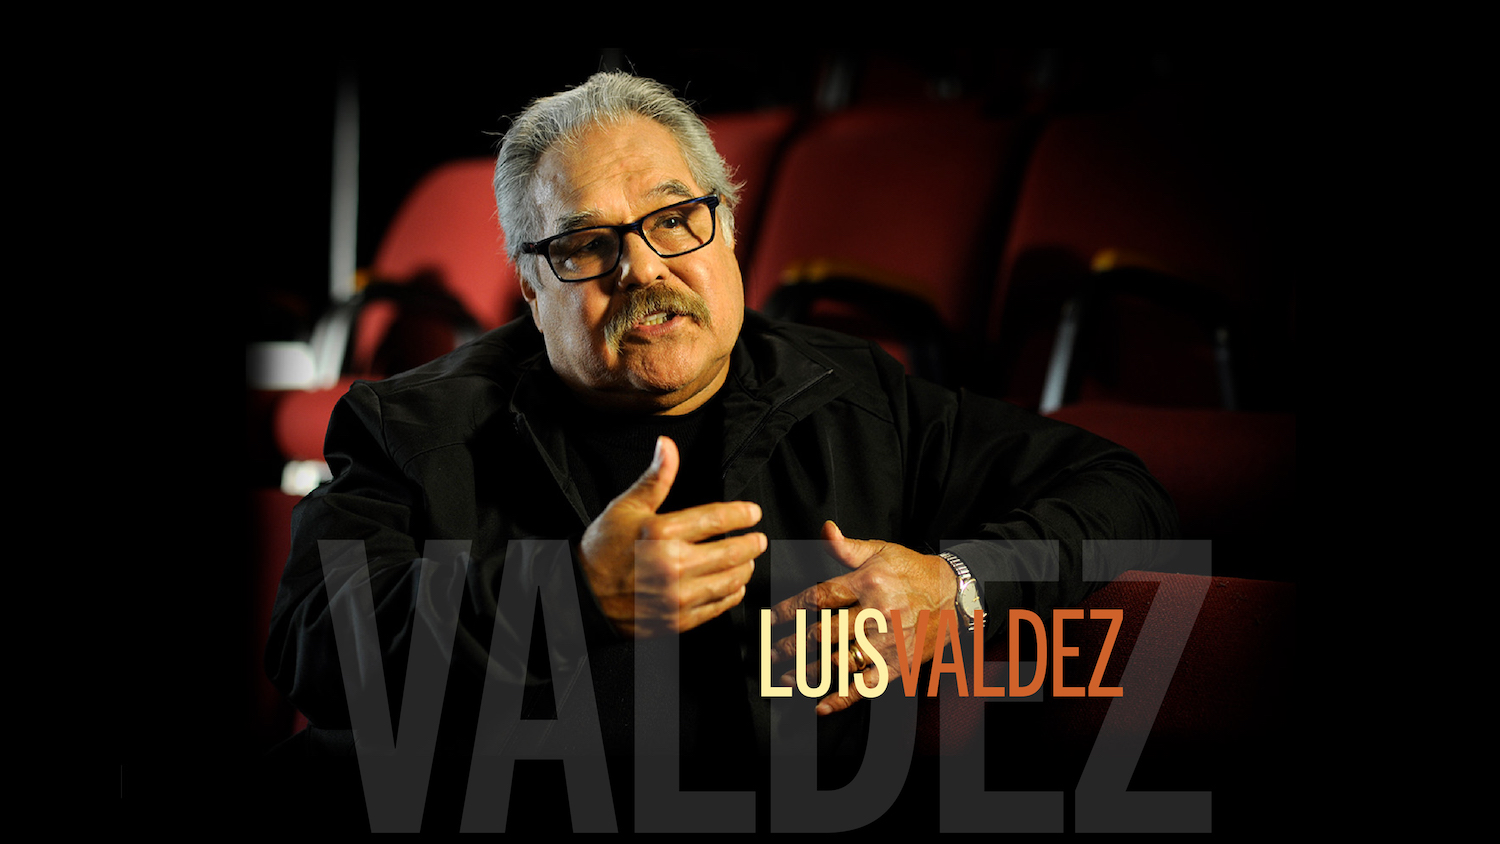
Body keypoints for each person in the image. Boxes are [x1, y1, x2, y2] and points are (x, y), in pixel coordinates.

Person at [264, 71, 1179, 832]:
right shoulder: (411, 425)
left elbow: (1118, 489)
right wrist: (569, 597)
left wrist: (958, 589)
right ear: (532, 285)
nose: (645, 269)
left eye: (674, 220)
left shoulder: (857, 398)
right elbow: (311, 642)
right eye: (587, 245)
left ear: (728, 230)